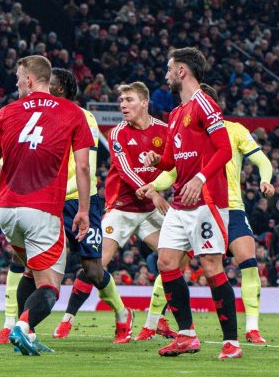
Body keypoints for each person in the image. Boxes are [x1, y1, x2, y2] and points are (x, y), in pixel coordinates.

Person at [141, 83, 275, 345]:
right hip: (194, 205)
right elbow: (173, 170)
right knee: (170, 263)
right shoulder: (188, 131)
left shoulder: (234, 130)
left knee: (247, 262)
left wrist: (265, 180)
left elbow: (262, 160)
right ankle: (151, 323)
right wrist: (153, 185)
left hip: (229, 206)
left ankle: (251, 328)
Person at [0, 55, 93, 356]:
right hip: (42, 209)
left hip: (6, 210)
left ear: (30, 80)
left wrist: (14, 182)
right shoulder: (73, 113)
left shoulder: (5, 112)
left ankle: (25, 338)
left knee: (30, 271)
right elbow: (83, 167)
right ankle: (22, 327)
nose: (16, 83)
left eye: (18, 77)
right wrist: (83, 211)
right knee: (51, 286)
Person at [53, 81, 177, 340]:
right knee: (95, 266)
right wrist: (153, 191)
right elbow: (125, 171)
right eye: (121, 101)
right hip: (121, 209)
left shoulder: (165, 131)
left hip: (149, 212)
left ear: (144, 102)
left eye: (129, 100)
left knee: (174, 260)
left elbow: (174, 165)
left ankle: (156, 320)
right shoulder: (118, 132)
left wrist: (161, 186)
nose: (123, 105)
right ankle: (68, 319)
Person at [138, 48, 239, 359]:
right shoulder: (177, 113)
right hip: (181, 202)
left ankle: (232, 342)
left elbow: (224, 150)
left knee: (211, 266)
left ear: (182, 71)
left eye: (170, 69)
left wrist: (201, 179)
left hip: (207, 200)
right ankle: (186, 334)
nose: (166, 75)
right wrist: (157, 160)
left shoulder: (204, 104)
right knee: (166, 263)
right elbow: (171, 159)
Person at [46, 68, 132, 344]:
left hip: (82, 201)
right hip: (50, 200)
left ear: (60, 89)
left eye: (49, 85)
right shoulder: (45, 115)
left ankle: (122, 313)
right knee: (27, 262)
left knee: (93, 269)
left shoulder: (85, 117)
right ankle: (19, 324)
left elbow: (87, 165)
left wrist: (74, 197)